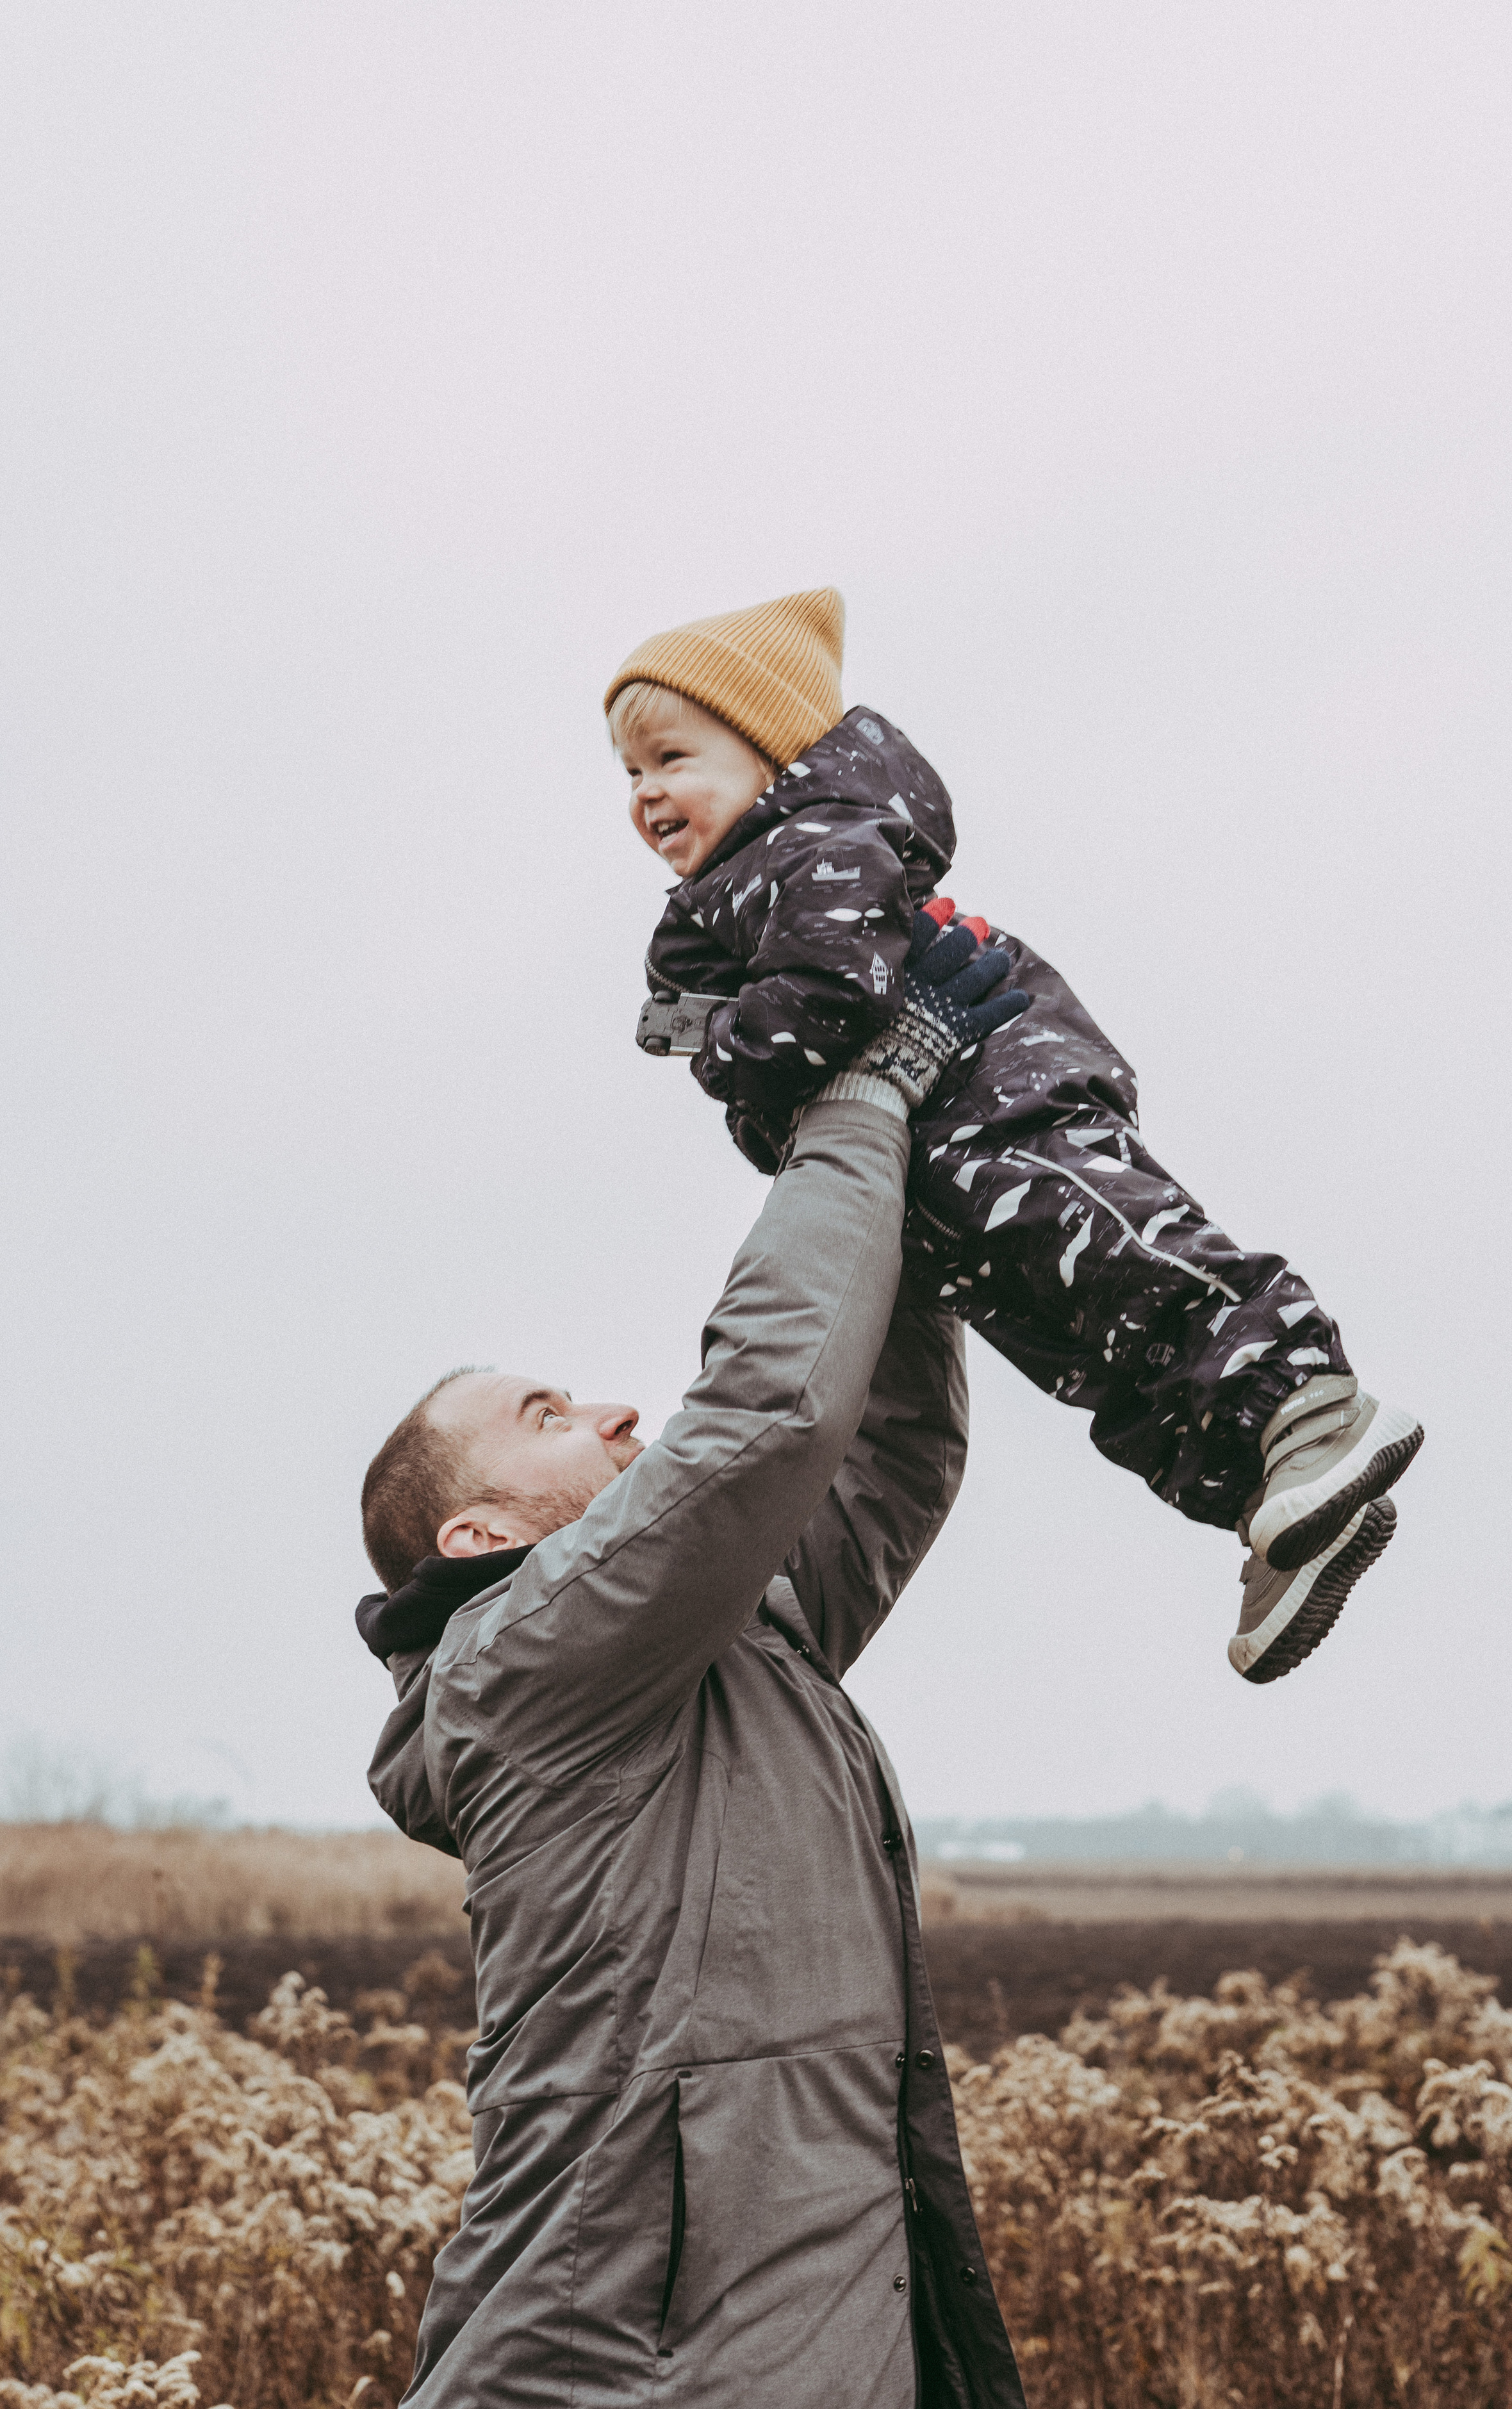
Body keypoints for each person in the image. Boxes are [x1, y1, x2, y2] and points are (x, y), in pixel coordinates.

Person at [357, 928, 1043, 2409]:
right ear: (478, 1538)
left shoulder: (742, 1639)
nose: (613, 1411)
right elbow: (766, 1415)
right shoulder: (522, 1663)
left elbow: (884, 1446)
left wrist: (886, 1167)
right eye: (547, 1414)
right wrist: (861, 1099)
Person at [606, 586, 1423, 1686]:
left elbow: (826, 996)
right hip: (929, 1171)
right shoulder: (733, 895)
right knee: (1077, 1346)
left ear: (774, 753)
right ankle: (1271, 1507)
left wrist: (727, 1049)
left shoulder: (817, 842)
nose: (647, 792)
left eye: (672, 758)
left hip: (991, 1095)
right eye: (630, 773)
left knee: (1112, 1248)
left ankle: (1305, 1398)